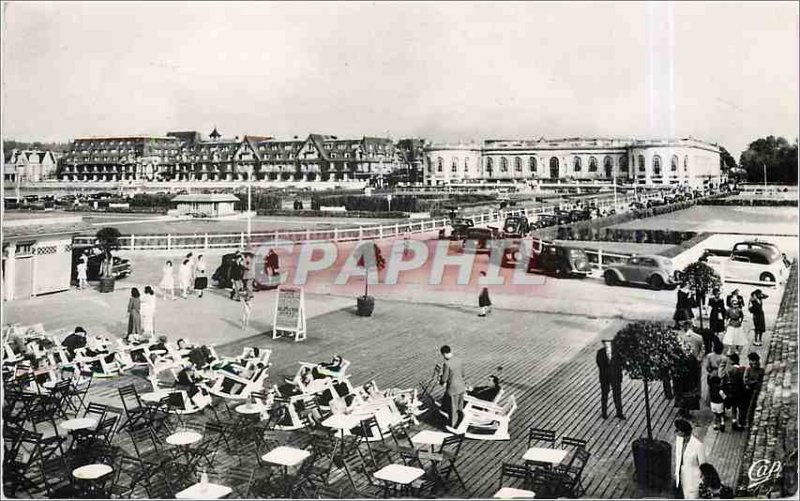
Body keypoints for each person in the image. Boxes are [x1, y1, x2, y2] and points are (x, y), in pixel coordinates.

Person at [674, 321, 704, 418]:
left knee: (683, 386)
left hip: (685, 365)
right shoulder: (698, 337)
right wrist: (699, 358)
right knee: (692, 384)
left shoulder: (681, 338)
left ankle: (683, 406)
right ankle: (688, 404)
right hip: (693, 364)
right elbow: (703, 350)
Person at [674, 418, 706, 499]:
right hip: (680, 479)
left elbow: (703, 466)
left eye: (678, 430)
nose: (676, 432)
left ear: (684, 432)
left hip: (692, 481)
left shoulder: (698, 445)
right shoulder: (679, 440)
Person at [437, 345, 466, 431]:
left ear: (444, 354)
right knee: (460, 407)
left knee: (453, 409)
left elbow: (444, 378)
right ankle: (462, 421)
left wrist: (441, 380)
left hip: (453, 389)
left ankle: (453, 426)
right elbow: (463, 374)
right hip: (461, 387)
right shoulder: (459, 360)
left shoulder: (447, 364)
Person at [596, 339, 625, 420]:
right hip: (605, 377)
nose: (607, 345)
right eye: (606, 344)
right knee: (604, 394)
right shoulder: (600, 352)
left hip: (615, 377)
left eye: (609, 343)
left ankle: (619, 413)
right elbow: (599, 363)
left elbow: (621, 363)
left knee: (617, 395)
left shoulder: (617, 352)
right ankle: (604, 413)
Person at [722, 353, 746, 430]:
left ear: (733, 360)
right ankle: (739, 422)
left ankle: (734, 421)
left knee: (733, 407)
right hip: (740, 392)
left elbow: (726, 380)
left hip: (732, 392)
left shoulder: (730, 370)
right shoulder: (742, 369)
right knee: (740, 407)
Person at [742, 352, 764, 429]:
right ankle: (748, 422)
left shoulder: (761, 370)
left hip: (757, 391)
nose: (754, 362)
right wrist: (754, 382)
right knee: (749, 407)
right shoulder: (748, 370)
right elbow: (745, 380)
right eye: (752, 361)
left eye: (755, 361)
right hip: (750, 392)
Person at [703, 341, 726, 406]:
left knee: (710, 388)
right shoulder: (724, 358)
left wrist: (710, 371)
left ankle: (709, 402)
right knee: (720, 389)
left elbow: (707, 367)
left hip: (712, 374)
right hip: (720, 374)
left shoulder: (709, 356)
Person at [707, 288, 727, 353]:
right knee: (713, 327)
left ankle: (717, 340)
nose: (718, 294)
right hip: (713, 314)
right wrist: (708, 313)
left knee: (719, 327)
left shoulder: (721, 300)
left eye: (719, 293)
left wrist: (724, 315)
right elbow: (709, 307)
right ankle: (713, 339)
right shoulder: (711, 299)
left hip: (719, 314)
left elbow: (723, 308)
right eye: (717, 293)